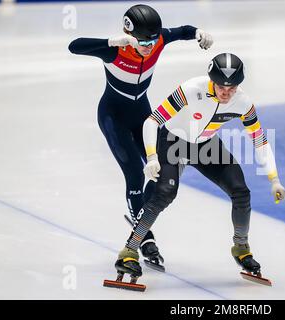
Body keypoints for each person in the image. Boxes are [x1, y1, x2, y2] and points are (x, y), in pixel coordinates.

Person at [115, 53, 285, 279]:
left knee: (241, 192)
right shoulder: (190, 90)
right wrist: (152, 157)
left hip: (206, 145)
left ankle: (241, 248)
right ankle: (128, 251)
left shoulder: (243, 103)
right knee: (165, 193)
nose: (226, 93)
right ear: (211, 81)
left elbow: (259, 140)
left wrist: (274, 179)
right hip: (173, 141)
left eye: (232, 88)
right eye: (221, 87)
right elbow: (153, 120)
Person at [68, 4, 213, 267]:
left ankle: (139, 210)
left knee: (158, 171)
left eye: (153, 40)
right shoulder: (114, 49)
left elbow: (182, 31)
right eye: (142, 41)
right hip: (114, 117)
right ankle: (144, 238)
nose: (149, 45)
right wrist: (113, 41)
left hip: (142, 116)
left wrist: (199, 32)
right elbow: (74, 46)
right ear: (129, 34)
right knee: (135, 173)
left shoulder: (158, 40)